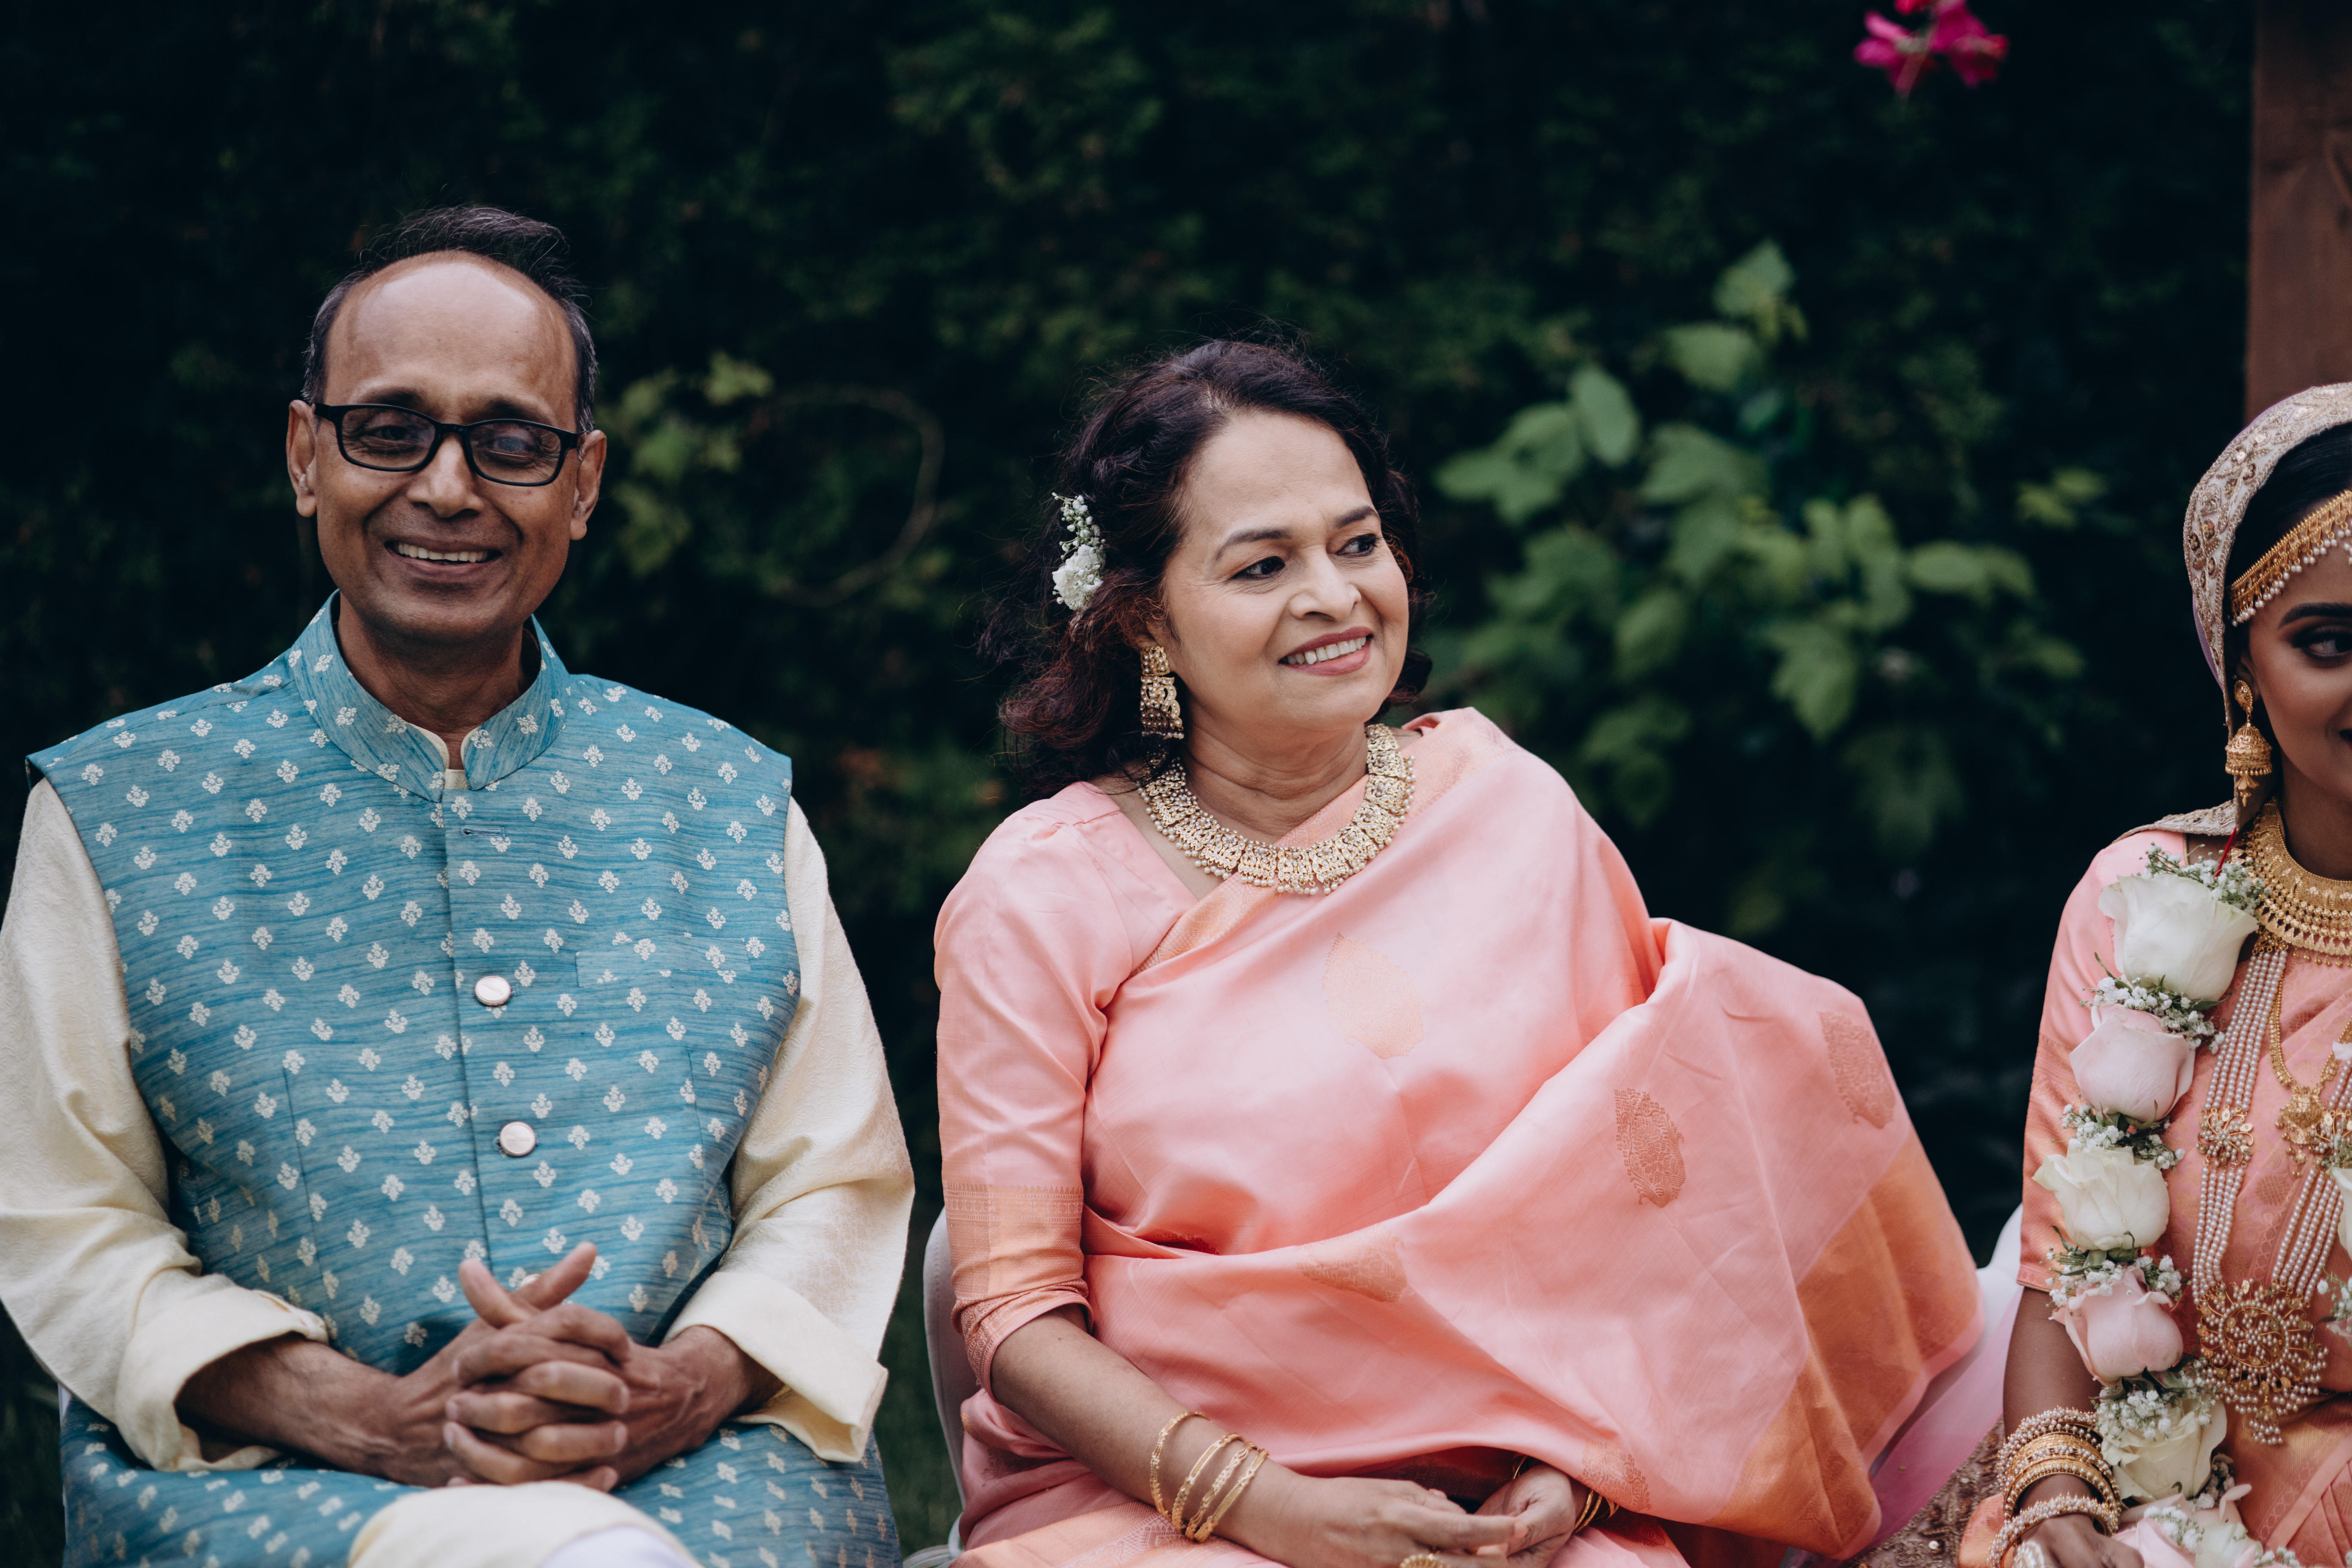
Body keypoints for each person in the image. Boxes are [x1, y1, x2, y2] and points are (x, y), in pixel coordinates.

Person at [931, 338, 1989, 1568]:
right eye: (1264, 565)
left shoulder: (1509, 809)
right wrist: (1273, 1507)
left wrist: (1581, 1474)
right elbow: (1014, 1314)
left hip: (1517, 1502)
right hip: (1170, 1502)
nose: (1334, 596)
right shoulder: (1044, 894)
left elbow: (1660, 1212)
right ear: (1143, 618)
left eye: (1358, 543)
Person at [0, 206, 914, 1568]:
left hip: (704, 1475)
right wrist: (370, 1418)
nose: (445, 487)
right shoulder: (118, 810)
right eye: (389, 430)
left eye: (511, 442)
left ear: (583, 484)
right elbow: (68, 1219)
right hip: (285, 1486)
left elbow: (832, 1183)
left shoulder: (720, 800)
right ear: (305, 454)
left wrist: (678, 1388)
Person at [1988, 383, 2352, 1568]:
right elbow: (2062, 1274)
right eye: (2330, 643)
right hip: (2140, 1490)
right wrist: (2057, 1497)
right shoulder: (2139, 896)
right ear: (2243, 662)